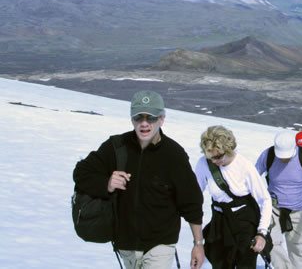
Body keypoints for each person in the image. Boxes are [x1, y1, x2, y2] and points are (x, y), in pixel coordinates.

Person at [73, 90, 205, 269]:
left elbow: (191, 203)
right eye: (138, 118)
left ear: (161, 119)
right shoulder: (116, 147)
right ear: (131, 119)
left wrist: (198, 244)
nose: (144, 124)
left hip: (160, 244)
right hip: (125, 243)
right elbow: (81, 172)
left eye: (150, 118)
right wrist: (107, 184)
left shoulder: (174, 155)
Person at [195, 125, 272, 269]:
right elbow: (195, 194)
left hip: (245, 222)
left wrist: (262, 233)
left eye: (218, 156)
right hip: (220, 221)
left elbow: (265, 200)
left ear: (229, 149)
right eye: (210, 157)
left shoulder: (244, 166)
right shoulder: (204, 164)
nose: (214, 161)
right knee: (220, 264)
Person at [256, 130, 302, 269]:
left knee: (296, 247)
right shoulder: (268, 155)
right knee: (271, 243)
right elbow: (254, 176)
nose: (284, 159)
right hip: (274, 208)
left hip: (299, 209)